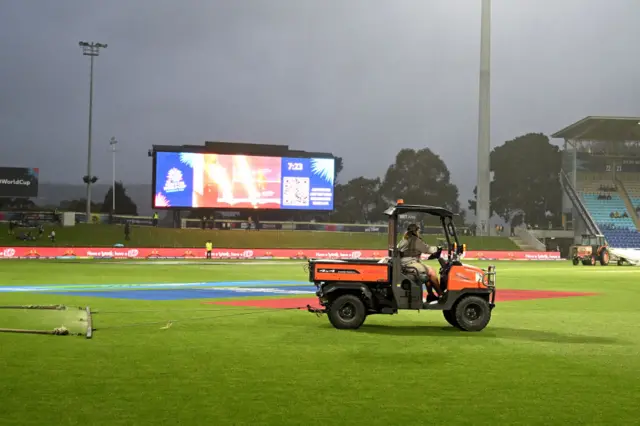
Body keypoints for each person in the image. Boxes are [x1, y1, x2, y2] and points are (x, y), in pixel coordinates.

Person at [396, 223, 442, 303]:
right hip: (410, 264)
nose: (419, 232)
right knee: (431, 272)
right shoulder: (415, 240)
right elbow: (427, 249)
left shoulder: (404, 239)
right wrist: (438, 248)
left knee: (428, 272)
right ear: (415, 231)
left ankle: (431, 295)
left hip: (404, 264)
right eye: (418, 230)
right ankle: (441, 295)